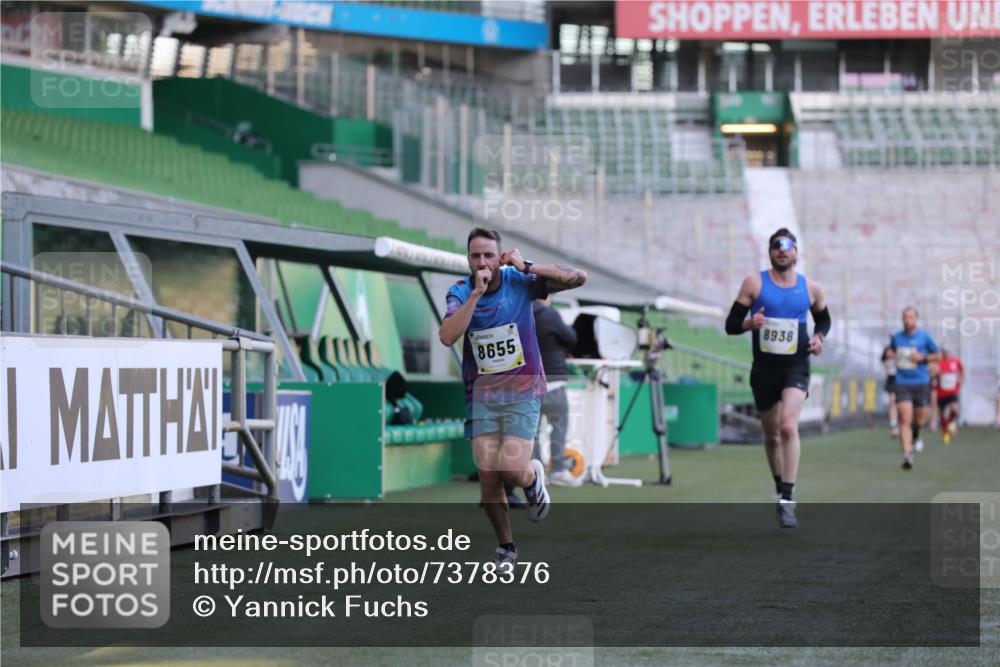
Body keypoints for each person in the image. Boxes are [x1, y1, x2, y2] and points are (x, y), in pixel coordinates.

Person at [439, 228, 586, 566]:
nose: (482, 262)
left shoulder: (519, 281)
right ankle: (506, 547)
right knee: (489, 477)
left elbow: (578, 277)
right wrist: (475, 296)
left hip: (522, 391)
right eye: (475, 255)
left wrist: (527, 265)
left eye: (489, 255)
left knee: (513, 471)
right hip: (482, 396)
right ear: (468, 259)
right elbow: (447, 336)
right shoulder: (459, 292)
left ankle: (532, 478)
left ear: (500, 257)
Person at [725, 228, 830, 528]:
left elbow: (823, 319)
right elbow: (731, 324)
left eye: (787, 245)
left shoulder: (811, 288)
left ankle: (787, 498)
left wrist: (819, 337)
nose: (782, 250)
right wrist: (750, 324)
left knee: (787, 426)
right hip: (764, 370)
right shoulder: (755, 283)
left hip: (796, 366)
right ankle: (779, 484)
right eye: (776, 246)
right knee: (772, 436)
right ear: (770, 252)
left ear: (796, 252)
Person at [532, 296, 580, 487]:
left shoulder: (520, 315)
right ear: (545, 297)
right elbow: (571, 338)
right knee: (559, 426)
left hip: (529, 383)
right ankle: (558, 470)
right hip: (554, 382)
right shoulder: (551, 315)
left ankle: (537, 474)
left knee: (532, 432)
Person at [885, 307, 941, 469]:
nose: (908, 320)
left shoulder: (924, 337)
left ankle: (916, 434)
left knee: (920, 419)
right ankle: (907, 455)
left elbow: (938, 355)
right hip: (902, 382)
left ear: (916, 319)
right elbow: (891, 351)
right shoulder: (896, 337)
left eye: (911, 317)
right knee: (905, 419)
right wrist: (889, 353)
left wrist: (923, 358)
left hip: (921, 382)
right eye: (905, 317)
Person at [935, 346, 964, 445]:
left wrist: (961, 379)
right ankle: (945, 432)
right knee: (942, 413)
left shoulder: (956, 361)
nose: (946, 354)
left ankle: (950, 422)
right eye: (944, 352)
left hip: (952, 391)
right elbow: (935, 374)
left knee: (955, 409)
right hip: (941, 392)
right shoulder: (939, 362)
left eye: (948, 352)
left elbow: (962, 370)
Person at [881, 345, 899, 436]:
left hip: (899, 381)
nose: (889, 353)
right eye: (888, 352)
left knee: (897, 404)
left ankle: (896, 423)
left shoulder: (898, 359)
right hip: (891, 382)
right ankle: (893, 424)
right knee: (893, 403)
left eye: (891, 351)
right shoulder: (886, 362)